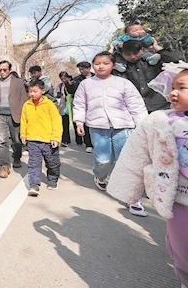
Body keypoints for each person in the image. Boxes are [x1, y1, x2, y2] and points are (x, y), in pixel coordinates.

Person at [108, 66, 188, 287]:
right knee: (181, 249)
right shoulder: (160, 121)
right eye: (172, 87)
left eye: (181, 88)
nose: (172, 93)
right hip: (178, 201)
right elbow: (135, 155)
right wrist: (128, 190)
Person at [72, 51, 148, 215]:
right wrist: (79, 122)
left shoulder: (123, 83)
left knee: (126, 162)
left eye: (105, 63)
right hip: (98, 127)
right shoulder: (86, 84)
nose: (101, 66)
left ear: (113, 65)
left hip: (123, 126)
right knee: (103, 160)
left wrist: (142, 125)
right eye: (97, 63)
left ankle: (133, 199)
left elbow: (136, 105)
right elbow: (79, 104)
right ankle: (100, 176)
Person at [20, 79, 62, 196]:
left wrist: (55, 137)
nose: (32, 94)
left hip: (49, 140)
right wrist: (23, 134)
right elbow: (24, 121)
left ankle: (53, 179)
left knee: (52, 162)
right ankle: (34, 184)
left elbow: (56, 122)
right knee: (34, 163)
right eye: (30, 91)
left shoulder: (49, 105)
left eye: (35, 91)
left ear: (42, 91)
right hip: (33, 140)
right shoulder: (27, 105)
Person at [114, 39, 180, 113]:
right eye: (128, 55)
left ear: (142, 50)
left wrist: (157, 47)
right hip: (135, 109)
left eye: (135, 53)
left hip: (161, 106)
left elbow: (176, 60)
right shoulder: (119, 67)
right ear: (121, 54)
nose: (132, 57)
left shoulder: (153, 60)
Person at [0, 60, 28, 178]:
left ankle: (16, 157)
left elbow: (23, 100)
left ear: (10, 70)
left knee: (16, 140)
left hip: (14, 115)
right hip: (0, 115)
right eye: (0, 70)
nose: (2, 72)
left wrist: (24, 115)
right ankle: (4, 166)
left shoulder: (18, 82)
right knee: (2, 141)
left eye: (4, 70)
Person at [68, 61, 94, 152]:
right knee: (86, 124)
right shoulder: (77, 79)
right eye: (80, 69)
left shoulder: (96, 77)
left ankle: (95, 143)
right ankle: (88, 144)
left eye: (83, 69)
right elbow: (71, 91)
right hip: (83, 104)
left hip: (94, 103)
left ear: (89, 68)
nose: (81, 71)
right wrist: (69, 85)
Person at [56, 71, 74, 147]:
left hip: (73, 105)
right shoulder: (60, 86)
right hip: (64, 105)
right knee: (65, 123)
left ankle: (79, 139)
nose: (63, 80)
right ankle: (65, 140)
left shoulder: (72, 83)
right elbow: (57, 95)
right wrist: (59, 95)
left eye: (64, 78)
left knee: (75, 122)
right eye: (62, 78)